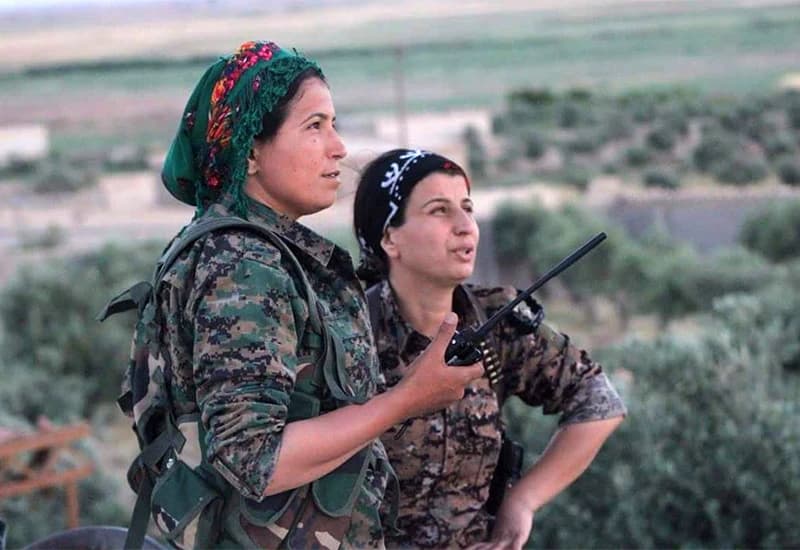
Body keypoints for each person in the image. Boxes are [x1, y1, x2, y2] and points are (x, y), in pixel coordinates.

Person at [128, 42, 483, 549]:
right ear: (251, 150)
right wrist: (406, 400)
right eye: (315, 126)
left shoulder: (255, 251)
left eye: (334, 125)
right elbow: (254, 458)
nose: (337, 147)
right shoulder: (243, 264)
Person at [352, 148, 627, 549]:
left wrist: (523, 500)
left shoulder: (496, 317)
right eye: (440, 211)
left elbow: (599, 399)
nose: (466, 227)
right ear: (390, 237)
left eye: (468, 208)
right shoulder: (346, 335)